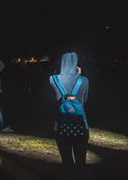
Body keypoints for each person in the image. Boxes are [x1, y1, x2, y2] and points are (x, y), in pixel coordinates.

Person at [49, 52, 89, 180]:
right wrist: (79, 76)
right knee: (81, 164)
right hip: (82, 127)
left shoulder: (52, 79)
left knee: (67, 164)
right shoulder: (84, 80)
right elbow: (84, 101)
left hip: (61, 127)